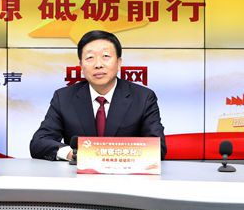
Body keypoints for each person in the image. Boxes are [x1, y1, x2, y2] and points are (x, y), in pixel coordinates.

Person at [30, 30, 166, 161]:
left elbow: (157, 147)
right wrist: (72, 154)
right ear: (81, 65)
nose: (98, 64)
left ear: (119, 62)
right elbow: (39, 142)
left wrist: (112, 156)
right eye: (90, 58)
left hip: (125, 173)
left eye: (106, 56)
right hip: (78, 175)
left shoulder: (143, 97)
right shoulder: (64, 97)